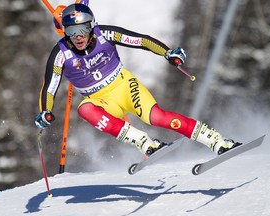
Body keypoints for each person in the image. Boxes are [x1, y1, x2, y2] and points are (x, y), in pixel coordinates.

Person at [35, 3, 241, 157]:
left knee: (158, 118)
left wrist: (167, 53)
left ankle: (216, 141)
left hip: (124, 85)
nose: (78, 37)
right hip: (101, 101)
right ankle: (143, 141)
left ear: (92, 26)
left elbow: (140, 40)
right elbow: (50, 88)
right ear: (64, 32)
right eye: (71, 31)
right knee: (84, 109)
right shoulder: (60, 53)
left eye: (82, 30)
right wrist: (46, 111)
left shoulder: (105, 33)